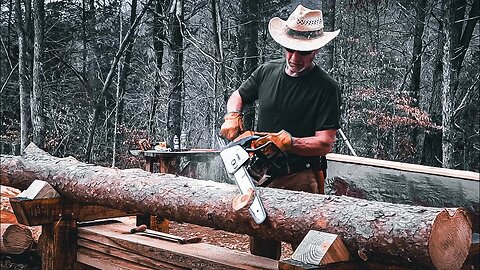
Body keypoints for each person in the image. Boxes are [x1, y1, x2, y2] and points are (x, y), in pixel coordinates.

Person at [220, 5, 342, 260]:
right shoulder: (267, 72)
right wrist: (233, 115)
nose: (295, 58)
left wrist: (289, 143)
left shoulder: (326, 88)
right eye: (290, 49)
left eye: (303, 53)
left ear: (316, 50)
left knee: (306, 254)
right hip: (261, 175)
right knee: (261, 251)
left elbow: (325, 143)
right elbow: (238, 96)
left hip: (300, 177)